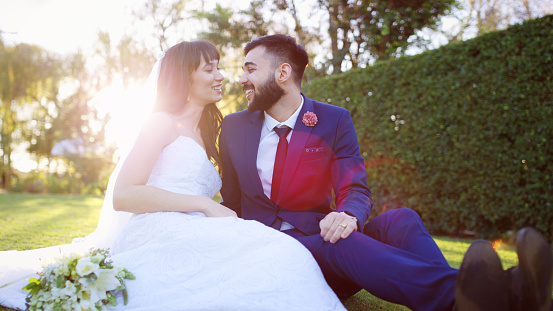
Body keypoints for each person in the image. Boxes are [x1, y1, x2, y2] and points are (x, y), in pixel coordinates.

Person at [0, 41, 346, 311]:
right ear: (184, 77)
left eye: (218, 67)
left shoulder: (210, 133)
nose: (221, 76)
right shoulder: (161, 122)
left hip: (193, 227)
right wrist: (203, 205)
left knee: (278, 253)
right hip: (158, 228)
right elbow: (124, 195)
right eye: (209, 69)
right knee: (278, 254)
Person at [218, 34, 553, 311]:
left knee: (401, 218)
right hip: (271, 252)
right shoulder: (233, 127)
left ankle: (469, 299)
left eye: (250, 69)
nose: (242, 78)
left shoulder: (334, 120)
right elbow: (232, 202)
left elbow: (356, 188)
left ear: (282, 73)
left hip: (325, 246)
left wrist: (348, 212)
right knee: (339, 242)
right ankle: (491, 292)